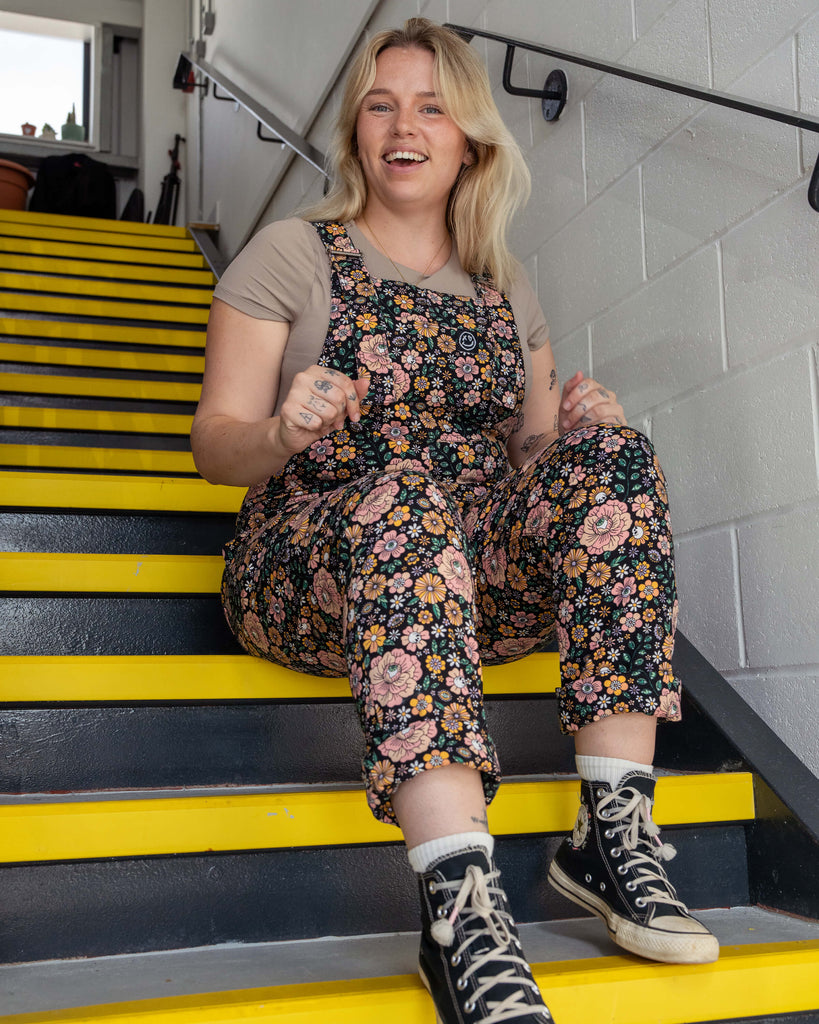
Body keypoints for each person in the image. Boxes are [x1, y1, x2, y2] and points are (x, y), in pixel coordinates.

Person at [191, 17, 718, 1024]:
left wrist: (571, 432)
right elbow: (214, 443)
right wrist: (282, 430)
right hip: (309, 560)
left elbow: (525, 462)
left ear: (471, 137)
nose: (404, 125)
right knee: (405, 500)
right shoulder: (292, 253)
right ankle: (461, 911)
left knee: (617, 460)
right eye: (380, 104)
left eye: (432, 106)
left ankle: (612, 835)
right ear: (354, 132)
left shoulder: (502, 282)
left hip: (461, 574)